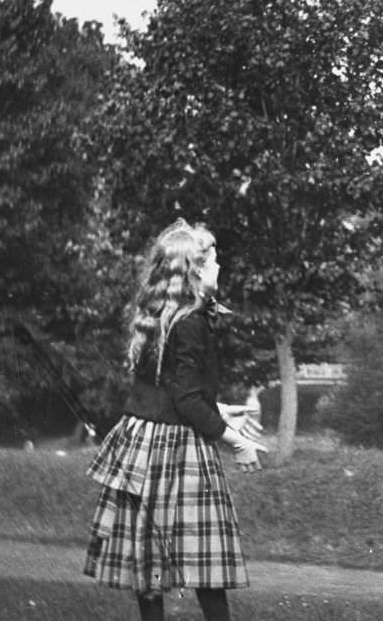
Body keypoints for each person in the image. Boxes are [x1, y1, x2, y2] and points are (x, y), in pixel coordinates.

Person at [84, 219, 265, 621]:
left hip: (141, 446)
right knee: (206, 562)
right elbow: (184, 399)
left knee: (148, 560)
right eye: (215, 261)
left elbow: (168, 392)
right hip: (175, 451)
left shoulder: (162, 317)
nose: (220, 269)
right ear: (196, 272)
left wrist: (217, 410)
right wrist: (237, 440)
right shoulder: (190, 321)